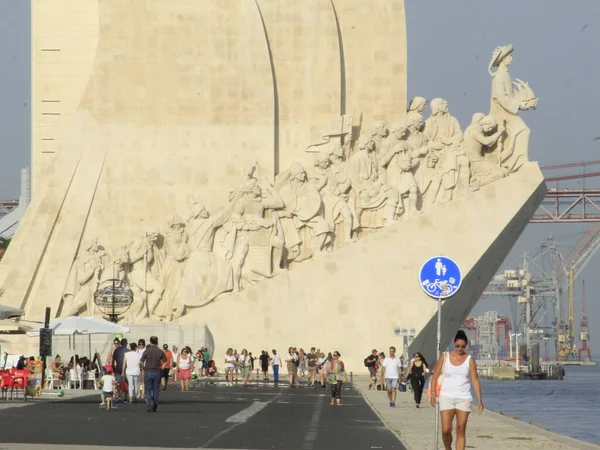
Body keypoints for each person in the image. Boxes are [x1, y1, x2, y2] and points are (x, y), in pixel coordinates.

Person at [429, 330, 483, 450]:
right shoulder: (445, 356)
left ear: (466, 345)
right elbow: (435, 377)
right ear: (454, 343)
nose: (460, 349)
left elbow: (475, 380)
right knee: (446, 429)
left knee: (461, 429)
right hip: (446, 396)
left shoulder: (470, 360)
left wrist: (479, 400)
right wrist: (433, 394)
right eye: (457, 346)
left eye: (463, 346)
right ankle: (448, 448)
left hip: (463, 397)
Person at [140, 335, 167, 412]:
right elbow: (165, 360)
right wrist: (162, 367)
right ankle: (155, 404)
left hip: (148, 371)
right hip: (157, 372)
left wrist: (144, 367)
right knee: (156, 389)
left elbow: (141, 361)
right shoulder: (160, 351)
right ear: (157, 342)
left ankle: (150, 402)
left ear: (150, 341)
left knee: (148, 389)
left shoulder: (147, 351)